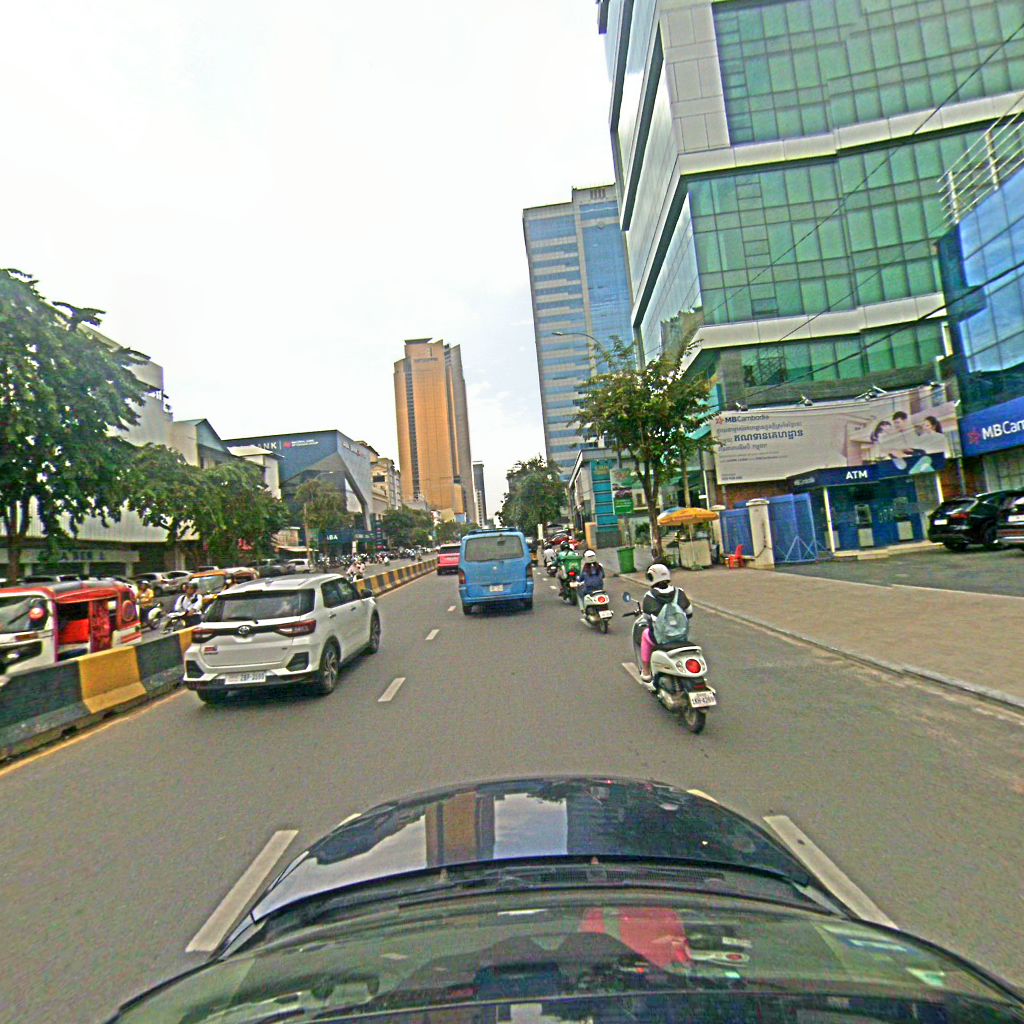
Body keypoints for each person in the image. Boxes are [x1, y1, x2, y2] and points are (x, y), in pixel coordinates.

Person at [639, 563, 693, 683]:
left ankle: (646, 671)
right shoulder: (679, 592)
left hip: (661, 639)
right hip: (681, 636)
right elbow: (689, 612)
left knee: (645, 634)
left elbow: (646, 617)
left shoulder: (650, 596)